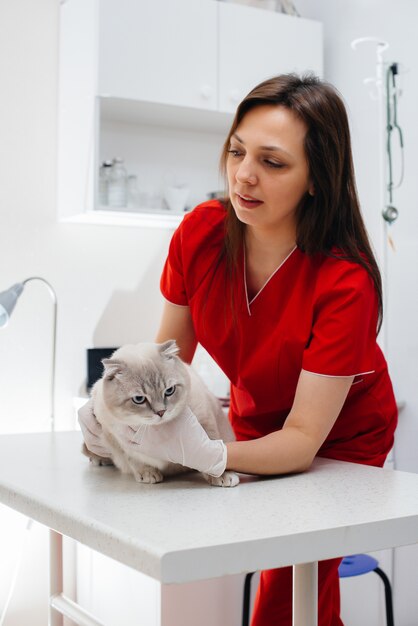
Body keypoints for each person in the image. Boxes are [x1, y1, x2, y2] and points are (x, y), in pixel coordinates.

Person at [79, 73, 398, 626]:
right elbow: (164, 359)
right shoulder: (200, 233)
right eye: (236, 151)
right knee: (283, 574)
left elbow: (300, 442)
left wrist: (206, 453)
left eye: (273, 163)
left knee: (290, 579)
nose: (243, 175)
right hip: (256, 418)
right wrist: (113, 420)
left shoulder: (344, 281)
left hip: (340, 434)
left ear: (316, 178)